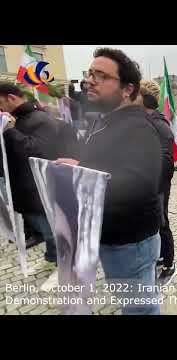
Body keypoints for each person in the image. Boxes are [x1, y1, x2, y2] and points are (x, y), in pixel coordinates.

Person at [55, 48, 163, 315]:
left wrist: (81, 172)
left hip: (129, 241)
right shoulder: (106, 121)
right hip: (111, 234)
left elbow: (140, 186)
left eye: (101, 75)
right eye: (90, 73)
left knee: (140, 309)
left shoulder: (138, 128)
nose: (89, 80)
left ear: (127, 89)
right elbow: (106, 167)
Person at [0, 82, 77, 261]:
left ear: (11, 98)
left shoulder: (40, 119)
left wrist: (11, 132)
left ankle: (61, 257)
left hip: (36, 188)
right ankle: (52, 254)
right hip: (23, 186)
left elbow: (39, 151)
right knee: (41, 225)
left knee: (49, 229)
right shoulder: (14, 119)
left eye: (0, 102)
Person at [134, 85, 177, 284]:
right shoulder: (143, 122)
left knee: (162, 224)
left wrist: (150, 184)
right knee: (153, 225)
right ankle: (159, 256)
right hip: (147, 187)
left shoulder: (159, 125)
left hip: (157, 188)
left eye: (137, 95)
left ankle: (169, 265)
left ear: (146, 99)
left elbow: (167, 165)